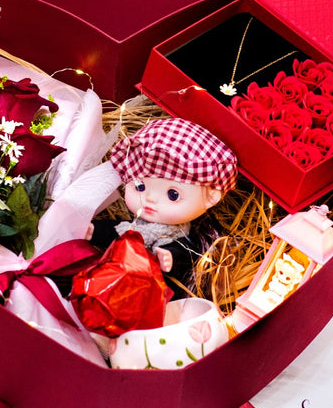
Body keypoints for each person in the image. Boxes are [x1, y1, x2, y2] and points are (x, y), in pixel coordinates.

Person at [89, 117, 238, 297]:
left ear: (210, 198)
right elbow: (116, 231)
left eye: (173, 195)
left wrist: (170, 257)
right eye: (140, 187)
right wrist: (94, 231)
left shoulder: (180, 238)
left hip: (154, 295)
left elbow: (185, 255)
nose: (150, 199)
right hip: (111, 282)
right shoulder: (133, 227)